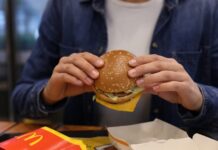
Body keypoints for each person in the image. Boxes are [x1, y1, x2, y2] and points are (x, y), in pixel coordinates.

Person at [12, 0, 218, 139]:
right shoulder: (65, 6)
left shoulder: (208, 9)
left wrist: (199, 99)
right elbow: (19, 99)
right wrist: (49, 95)